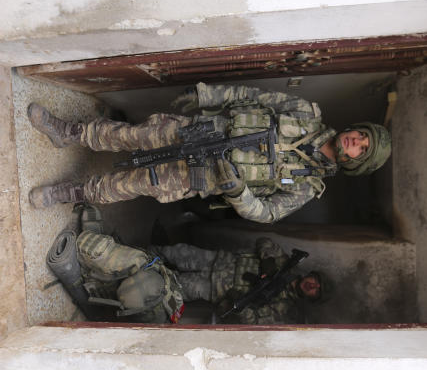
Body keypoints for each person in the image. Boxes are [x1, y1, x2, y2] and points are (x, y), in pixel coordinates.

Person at [28, 82, 391, 223]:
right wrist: (207, 96)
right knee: (131, 136)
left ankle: (69, 193)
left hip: (200, 176)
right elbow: (252, 97)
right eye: (361, 135)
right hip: (203, 131)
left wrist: (238, 191)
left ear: (356, 163)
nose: (354, 142)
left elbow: (266, 213)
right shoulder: (305, 114)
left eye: (361, 149)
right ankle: (67, 133)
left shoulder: (307, 186)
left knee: (130, 183)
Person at [151, 237, 333, 325]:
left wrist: (239, 302)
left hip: (211, 288)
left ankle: (136, 279)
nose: (313, 285)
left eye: (316, 290)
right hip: (218, 260)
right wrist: (268, 261)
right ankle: (135, 257)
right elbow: (265, 242)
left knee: (165, 286)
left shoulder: (282, 309)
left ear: (311, 298)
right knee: (173, 252)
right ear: (311, 274)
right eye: (316, 281)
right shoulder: (285, 263)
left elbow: (252, 322)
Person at [65, 205, 185, 323]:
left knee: (141, 288)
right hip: (169, 278)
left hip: (153, 299)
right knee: (138, 262)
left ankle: (91, 263)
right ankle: (94, 248)